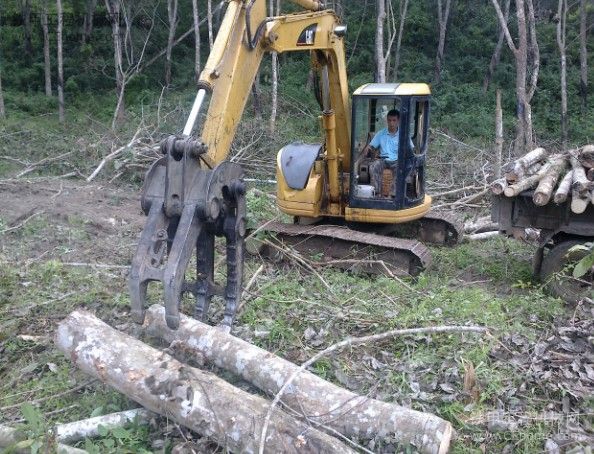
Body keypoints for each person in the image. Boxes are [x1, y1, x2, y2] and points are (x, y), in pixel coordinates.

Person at [362, 109, 414, 197]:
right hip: (384, 159)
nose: (391, 123)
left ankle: (394, 195)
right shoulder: (381, 133)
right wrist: (368, 148)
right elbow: (371, 145)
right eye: (389, 120)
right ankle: (377, 193)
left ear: (398, 121)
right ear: (387, 120)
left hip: (397, 160)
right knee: (373, 167)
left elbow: (411, 149)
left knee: (401, 170)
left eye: (394, 120)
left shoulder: (404, 134)